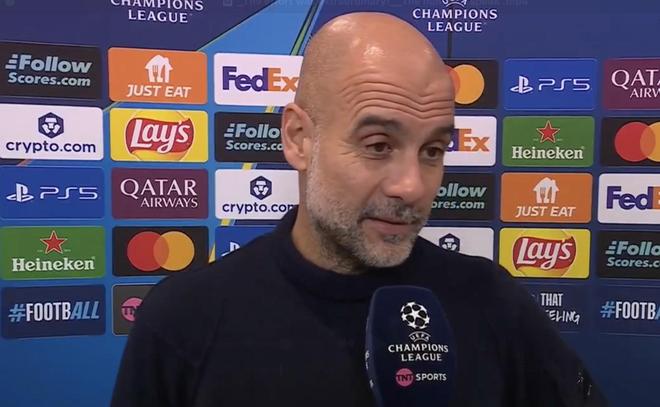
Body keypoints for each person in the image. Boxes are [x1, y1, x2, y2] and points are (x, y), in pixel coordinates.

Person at [111, 12, 607, 407]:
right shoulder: (184, 317)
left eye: (432, 151)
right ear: (299, 139)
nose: (411, 186)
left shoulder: (493, 301)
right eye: (377, 145)